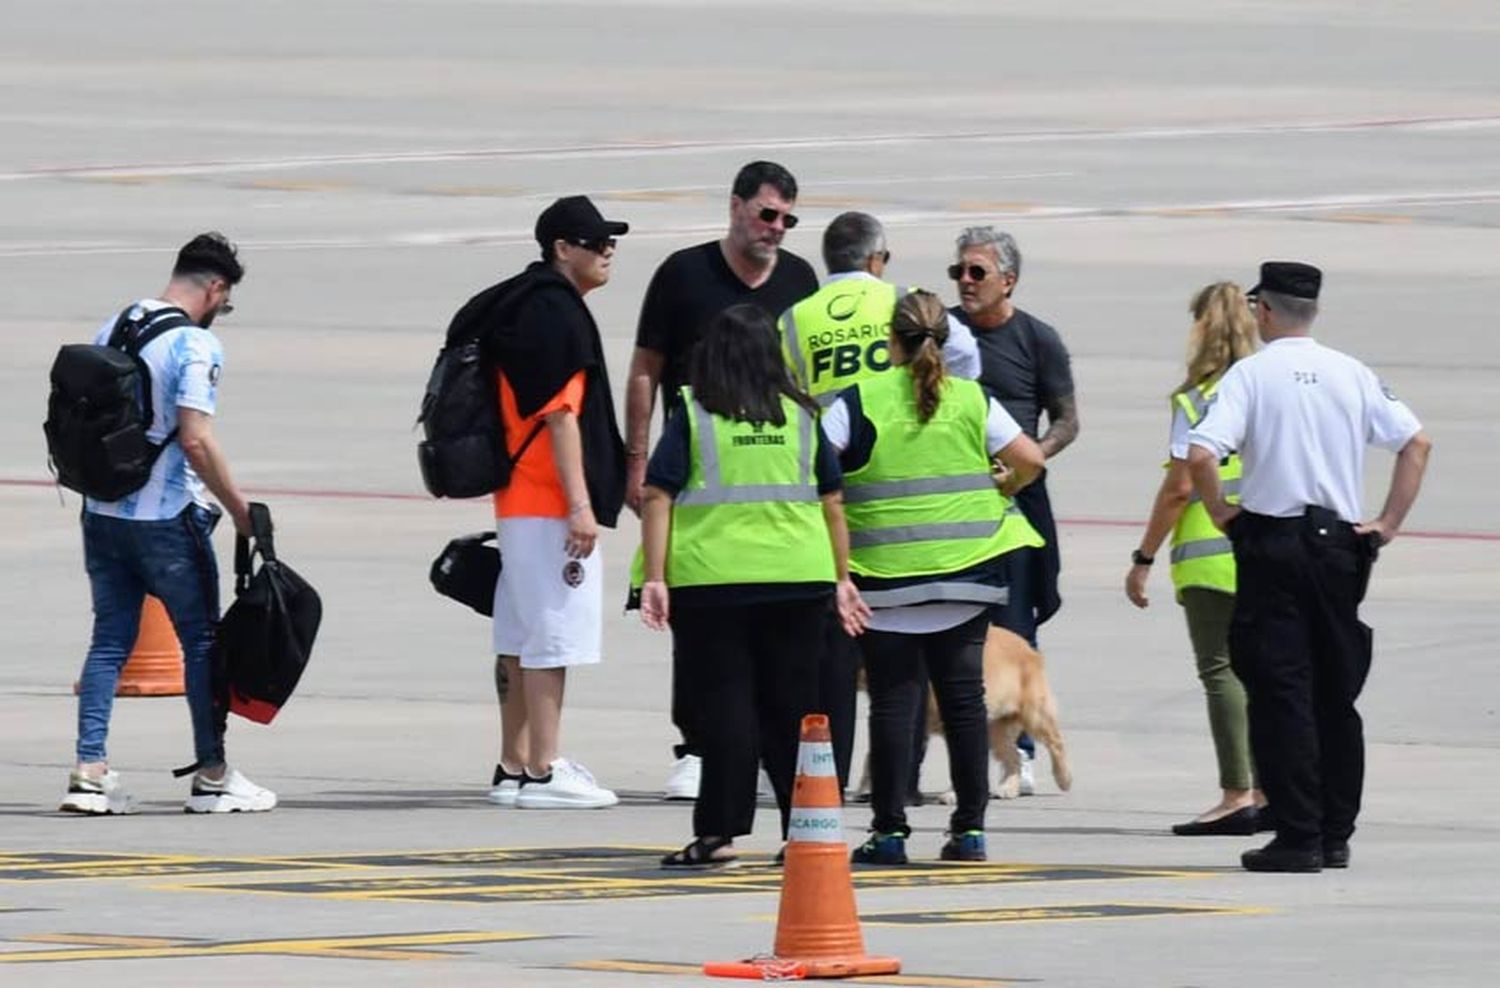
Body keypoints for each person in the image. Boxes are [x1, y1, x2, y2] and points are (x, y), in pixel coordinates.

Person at [1188, 261, 1431, 872]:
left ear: (1264, 310)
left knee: (1279, 693)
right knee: (1335, 693)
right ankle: (1334, 832)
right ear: (1312, 311)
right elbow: (1415, 443)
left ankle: (1297, 835)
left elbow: (1201, 452)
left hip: (1273, 542)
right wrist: (1388, 523)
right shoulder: (1350, 372)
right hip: (1338, 545)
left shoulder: (1250, 376)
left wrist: (1223, 512)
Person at [638, 304, 867, 866]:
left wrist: (655, 576)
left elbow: (657, 494)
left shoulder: (694, 412)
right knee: (793, 710)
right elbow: (831, 501)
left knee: (725, 712)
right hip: (798, 578)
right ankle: (802, 832)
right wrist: (841, 576)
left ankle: (719, 832)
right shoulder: (804, 414)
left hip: (712, 582)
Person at [826, 291, 1046, 864]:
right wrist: (1002, 486)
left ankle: (891, 830)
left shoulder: (859, 400)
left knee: (895, 704)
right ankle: (970, 830)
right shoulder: (973, 399)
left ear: (889, 341)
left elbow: (817, 470)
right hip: (967, 576)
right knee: (964, 701)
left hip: (888, 578)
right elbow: (1031, 459)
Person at [61, 232, 276, 815]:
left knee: (109, 639)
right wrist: (239, 511)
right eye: (223, 303)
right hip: (163, 518)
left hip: (101, 510)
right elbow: (196, 439)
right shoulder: (194, 346)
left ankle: (89, 771)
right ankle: (211, 773)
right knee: (200, 640)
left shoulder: (118, 322)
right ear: (215, 288)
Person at [626, 161, 819, 801]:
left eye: (789, 219)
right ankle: (695, 746)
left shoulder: (798, 279)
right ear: (735, 207)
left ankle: (751, 760)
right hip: (695, 471)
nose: (778, 229)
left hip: (771, 483)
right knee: (695, 622)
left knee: (769, 652)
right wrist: (639, 463)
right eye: (768, 214)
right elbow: (645, 371)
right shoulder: (684, 275)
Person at [778, 210, 982, 797]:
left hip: (832, 494)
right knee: (921, 676)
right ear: (878, 260)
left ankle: (831, 780)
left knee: (841, 663)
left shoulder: (796, 318)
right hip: (910, 491)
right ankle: (922, 797)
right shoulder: (904, 303)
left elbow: (786, 398)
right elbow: (967, 364)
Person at [476, 196, 628, 810]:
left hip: (518, 496)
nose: (608, 252)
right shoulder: (555, 314)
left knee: (518, 631)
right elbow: (562, 415)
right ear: (563, 248)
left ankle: (513, 763)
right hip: (547, 499)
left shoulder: (520, 303)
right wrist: (580, 506)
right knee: (553, 636)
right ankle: (544, 767)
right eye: (597, 243)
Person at [1125, 282, 1267, 835]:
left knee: (1220, 671)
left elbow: (1179, 488)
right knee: (1264, 672)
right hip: (1262, 546)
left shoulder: (1196, 399)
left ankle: (1238, 791)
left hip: (1211, 552)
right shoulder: (1263, 387)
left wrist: (1144, 556)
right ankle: (1267, 783)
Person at [948, 226, 1078, 794]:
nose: (966, 283)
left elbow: (1067, 420)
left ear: (1009, 280)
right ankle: (971, 755)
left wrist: (1029, 460)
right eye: (960, 272)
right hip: (957, 500)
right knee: (958, 622)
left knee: (1017, 621)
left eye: (977, 272)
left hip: (1019, 499)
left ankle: (1020, 751)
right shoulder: (944, 333)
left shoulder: (1037, 338)